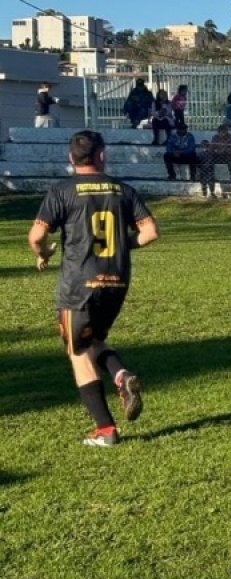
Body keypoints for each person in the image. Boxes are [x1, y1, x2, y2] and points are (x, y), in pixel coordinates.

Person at [26, 130, 160, 447]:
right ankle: (121, 376)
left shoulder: (62, 191)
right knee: (94, 340)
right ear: (101, 156)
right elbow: (151, 232)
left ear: (72, 159)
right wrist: (119, 247)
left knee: (78, 353)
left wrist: (43, 254)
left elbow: (35, 236)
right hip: (116, 282)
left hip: (78, 284)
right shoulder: (123, 190)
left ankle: (105, 430)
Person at [210, 124, 231, 191]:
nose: (222, 134)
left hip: (229, 155)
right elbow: (211, 149)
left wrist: (224, 150)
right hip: (218, 155)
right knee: (209, 158)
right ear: (218, 132)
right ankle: (211, 176)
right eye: (220, 132)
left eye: (224, 132)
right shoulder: (215, 137)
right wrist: (219, 151)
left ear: (226, 132)